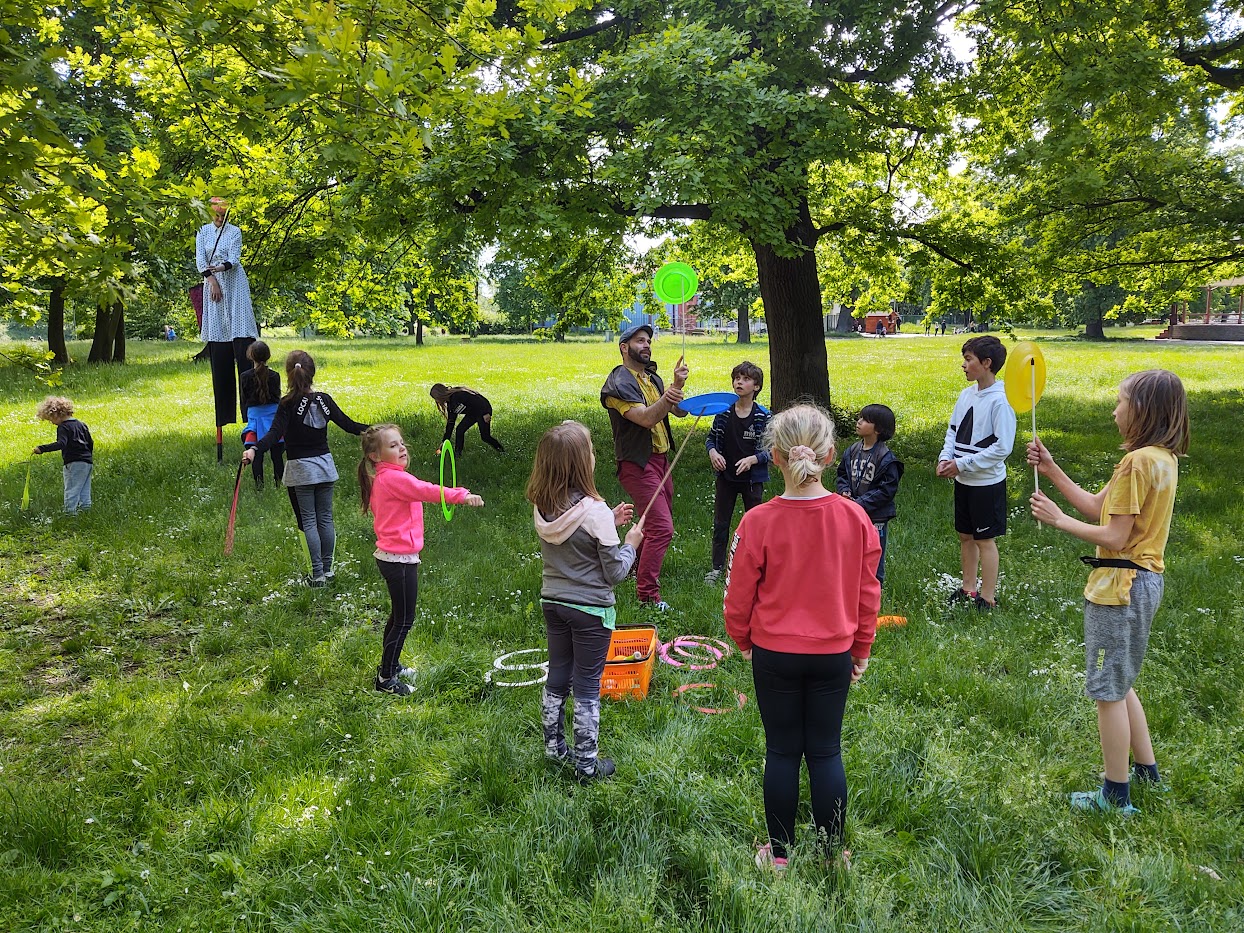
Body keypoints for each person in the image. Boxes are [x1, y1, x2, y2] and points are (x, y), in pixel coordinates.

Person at [724, 405, 880, 870]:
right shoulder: (856, 519)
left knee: (782, 750)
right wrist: (862, 648)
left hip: (773, 654)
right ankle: (832, 857)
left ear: (773, 456)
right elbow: (868, 594)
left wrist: (743, 640)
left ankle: (780, 858)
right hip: (834, 653)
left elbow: (738, 596)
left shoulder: (757, 521)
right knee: (826, 750)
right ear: (831, 455)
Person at [1028, 370, 1189, 815]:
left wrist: (1057, 520)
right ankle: (1146, 771)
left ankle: (1115, 795)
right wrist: (1052, 469)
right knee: (1122, 681)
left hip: (1121, 586)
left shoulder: (1138, 463)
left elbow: (1115, 535)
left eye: (1120, 402)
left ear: (1142, 411)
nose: (1113, 410)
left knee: (1107, 691)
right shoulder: (1159, 458)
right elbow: (1100, 506)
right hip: (1142, 582)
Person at [527, 421, 644, 782]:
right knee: (588, 683)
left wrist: (609, 521)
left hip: (554, 603)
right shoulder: (594, 510)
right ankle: (586, 764)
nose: (594, 456)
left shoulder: (542, 503)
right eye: (591, 451)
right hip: (591, 611)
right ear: (581, 464)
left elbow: (571, 535)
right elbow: (615, 573)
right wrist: (631, 544)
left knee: (559, 674)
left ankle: (552, 748)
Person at [358, 424, 483, 696]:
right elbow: (426, 490)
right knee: (403, 620)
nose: (402, 448)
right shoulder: (394, 479)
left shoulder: (389, 477)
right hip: (398, 559)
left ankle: (391, 666)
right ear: (375, 456)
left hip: (396, 557)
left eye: (401, 443)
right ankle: (386, 678)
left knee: (398, 617)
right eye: (393, 445)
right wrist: (461, 495)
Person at [243, 350, 369, 586]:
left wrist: (254, 449)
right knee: (326, 519)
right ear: (312, 373)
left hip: (301, 470)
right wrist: (377, 429)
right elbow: (350, 425)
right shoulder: (325, 399)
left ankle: (317, 575)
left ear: (289, 375)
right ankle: (328, 570)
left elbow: (273, 434)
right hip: (324, 467)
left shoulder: (287, 403)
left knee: (309, 521)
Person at [600, 323, 688, 610]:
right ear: (624, 348)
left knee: (653, 523)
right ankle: (648, 596)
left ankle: (629, 565)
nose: (647, 345)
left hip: (661, 460)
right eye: (640, 341)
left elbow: (679, 411)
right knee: (662, 527)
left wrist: (678, 389)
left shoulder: (653, 379)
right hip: (637, 463)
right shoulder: (617, 384)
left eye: (649, 340)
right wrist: (672, 390)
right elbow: (647, 419)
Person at [936, 335, 1016, 611]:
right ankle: (968, 588)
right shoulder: (966, 395)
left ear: (987, 363)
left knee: (984, 539)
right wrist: (947, 458)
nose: (964, 365)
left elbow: (1002, 447)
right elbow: (953, 431)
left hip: (986, 483)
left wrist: (963, 464)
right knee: (966, 536)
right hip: (963, 480)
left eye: (968, 359)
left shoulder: (1001, 401)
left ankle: (988, 597)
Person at [704, 361, 770, 583]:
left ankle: (757, 567)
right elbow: (711, 438)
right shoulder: (723, 413)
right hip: (726, 478)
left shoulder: (764, 416)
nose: (739, 382)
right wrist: (713, 452)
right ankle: (716, 568)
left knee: (754, 525)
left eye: (745, 379)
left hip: (752, 480)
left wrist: (754, 459)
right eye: (736, 378)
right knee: (721, 523)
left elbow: (773, 449)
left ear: (757, 387)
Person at [196, 196, 258, 431]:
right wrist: (211, 279)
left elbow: (234, 258)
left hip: (233, 282)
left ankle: (250, 416)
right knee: (219, 338)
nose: (220, 219)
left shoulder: (234, 232)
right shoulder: (202, 232)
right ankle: (224, 416)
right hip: (212, 283)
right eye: (216, 215)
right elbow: (200, 259)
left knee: (241, 335)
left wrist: (221, 269)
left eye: (223, 215)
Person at [836, 404, 904, 588]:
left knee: (874, 552)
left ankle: (875, 587)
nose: (859, 422)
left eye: (865, 420)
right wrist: (844, 492)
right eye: (860, 417)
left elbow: (886, 491)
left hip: (876, 516)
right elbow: (842, 474)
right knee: (851, 550)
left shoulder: (886, 458)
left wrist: (860, 504)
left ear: (879, 429)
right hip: (852, 511)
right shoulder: (852, 451)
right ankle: (852, 585)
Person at [32, 396, 94, 514]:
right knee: (84, 489)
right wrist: (88, 457)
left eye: (50, 419)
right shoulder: (82, 425)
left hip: (73, 462)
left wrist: (41, 449)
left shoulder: (63, 427)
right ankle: (86, 512)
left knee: (72, 489)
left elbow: (61, 444)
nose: (51, 423)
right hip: (87, 462)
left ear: (55, 414)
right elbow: (90, 442)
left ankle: (69, 514)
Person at [240, 340, 284, 490]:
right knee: (277, 455)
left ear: (250, 356)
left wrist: (246, 419)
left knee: (256, 454)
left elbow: (244, 400)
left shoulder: (245, 376)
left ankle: (259, 487)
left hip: (255, 420)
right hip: (274, 419)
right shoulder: (275, 376)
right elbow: (277, 397)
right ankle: (279, 484)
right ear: (268, 356)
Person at [429, 384, 504, 454]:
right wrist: (444, 441)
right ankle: (457, 454)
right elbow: (450, 423)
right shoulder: (451, 405)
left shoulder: (458, 395)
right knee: (460, 430)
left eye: (436, 398)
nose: (437, 401)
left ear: (440, 395)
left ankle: (501, 451)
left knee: (485, 436)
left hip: (483, 410)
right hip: (472, 413)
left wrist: (485, 413)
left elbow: (479, 400)